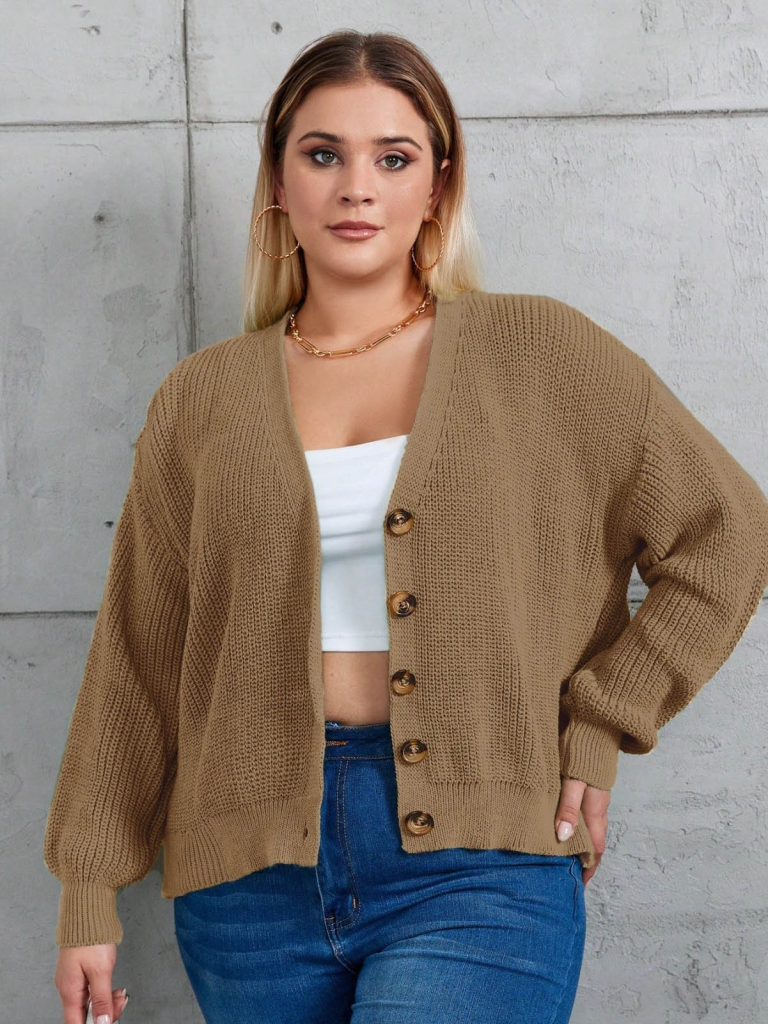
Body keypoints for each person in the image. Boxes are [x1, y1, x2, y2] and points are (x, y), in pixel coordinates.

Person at [44, 29, 768, 1024]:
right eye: (323, 154)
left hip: (482, 863)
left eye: (393, 157)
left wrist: (602, 721)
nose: (357, 187)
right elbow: (137, 655)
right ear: (279, 182)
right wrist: (88, 888)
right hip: (248, 886)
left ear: (438, 184)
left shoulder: (540, 354)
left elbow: (729, 534)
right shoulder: (200, 401)